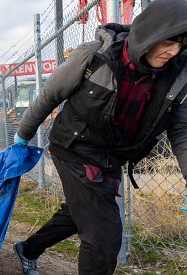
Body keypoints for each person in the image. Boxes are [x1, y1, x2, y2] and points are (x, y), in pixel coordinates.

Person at [13, 0, 187, 274]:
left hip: (111, 154)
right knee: (103, 234)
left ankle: (28, 249)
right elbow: (51, 95)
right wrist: (23, 136)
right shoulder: (95, 56)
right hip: (73, 146)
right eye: (168, 41)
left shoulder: (177, 75)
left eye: (181, 44)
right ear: (150, 32)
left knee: (80, 211)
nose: (173, 51)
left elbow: (181, 129)